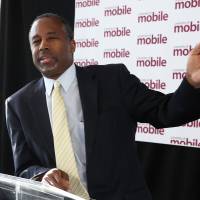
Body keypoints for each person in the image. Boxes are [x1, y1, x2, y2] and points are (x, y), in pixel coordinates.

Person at [5, 13, 200, 200]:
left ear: (72, 45)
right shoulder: (17, 104)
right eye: (36, 41)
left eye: (52, 38)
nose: (43, 46)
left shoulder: (113, 80)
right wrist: (42, 174)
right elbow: (24, 167)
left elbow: (165, 112)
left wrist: (191, 82)